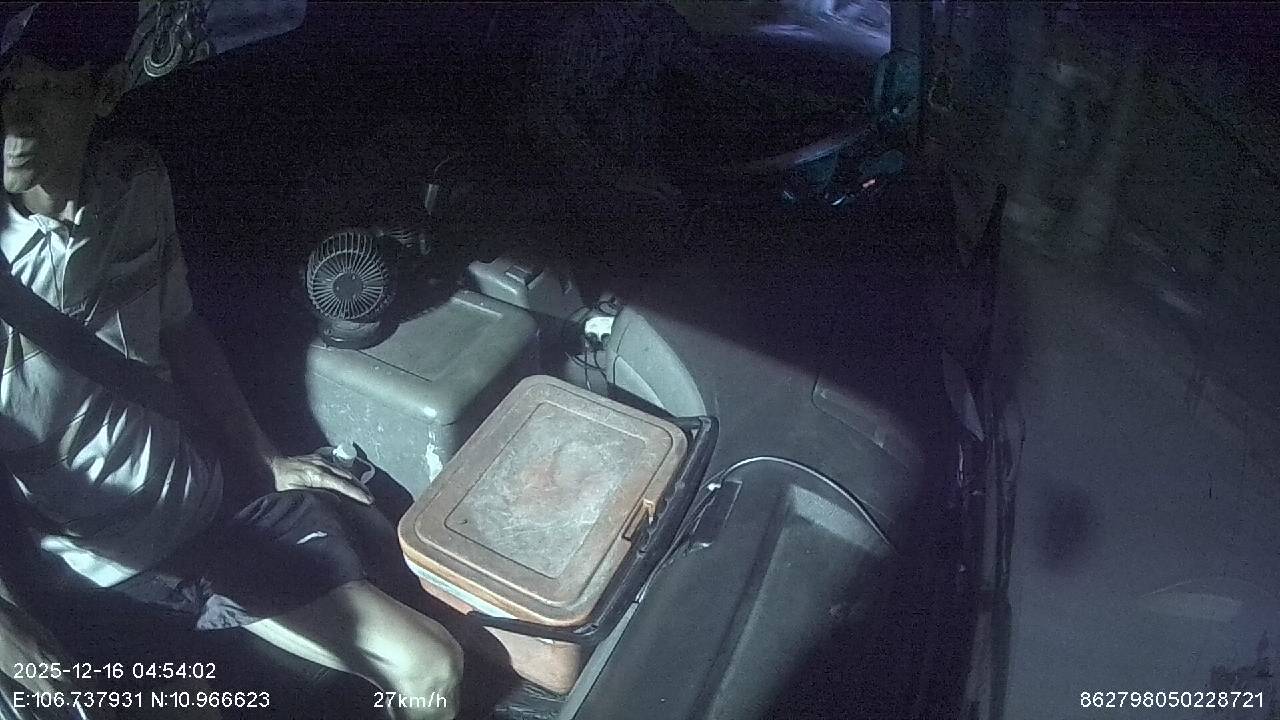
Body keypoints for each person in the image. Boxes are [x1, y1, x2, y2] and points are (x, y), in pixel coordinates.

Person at [0, 5, 461, 719]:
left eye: (45, 91)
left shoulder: (135, 184)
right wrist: (17, 641)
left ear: (105, 90)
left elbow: (181, 328)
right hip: (110, 570)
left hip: (213, 506)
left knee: (434, 669)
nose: (15, 119)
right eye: (6, 88)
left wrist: (263, 456)